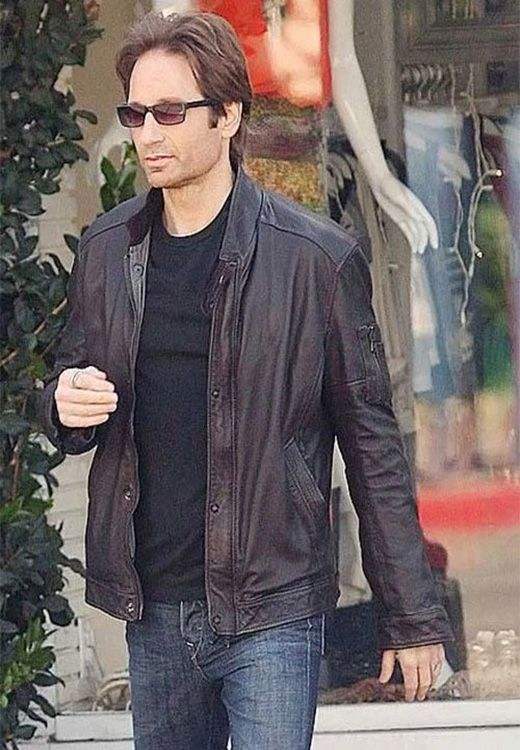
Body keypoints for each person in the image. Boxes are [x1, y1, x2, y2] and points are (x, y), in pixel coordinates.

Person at [39, 10, 455, 750]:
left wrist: (412, 616)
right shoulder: (107, 251)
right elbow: (71, 387)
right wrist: (63, 404)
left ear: (228, 115)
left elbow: (373, 446)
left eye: (171, 112)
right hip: (154, 609)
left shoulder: (315, 260)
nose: (148, 133)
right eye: (136, 113)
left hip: (273, 607)